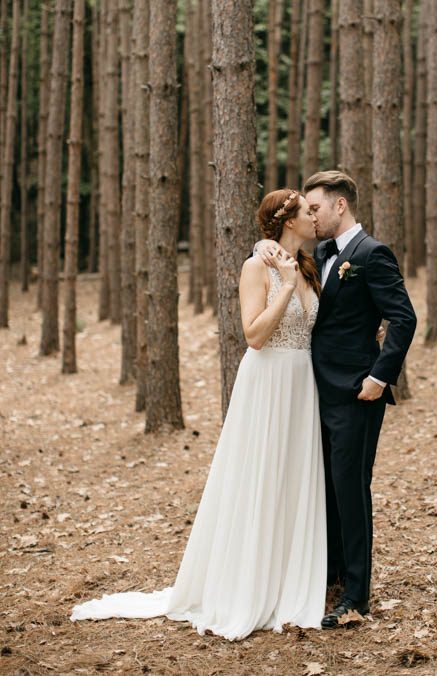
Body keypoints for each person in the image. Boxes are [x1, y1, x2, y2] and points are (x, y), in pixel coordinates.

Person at [71, 190, 327, 641]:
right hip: (266, 384)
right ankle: (249, 587)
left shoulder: (311, 263)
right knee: (260, 479)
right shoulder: (258, 269)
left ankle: (289, 582)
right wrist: (283, 285)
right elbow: (253, 336)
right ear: (289, 221)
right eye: (309, 211)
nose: (316, 215)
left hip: (301, 385)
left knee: (292, 479)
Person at [256, 171, 417, 628]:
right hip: (313, 393)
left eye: (316, 206)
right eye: (306, 209)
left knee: (350, 488)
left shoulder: (371, 254)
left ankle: (357, 593)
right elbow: (276, 255)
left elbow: (403, 319)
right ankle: (329, 573)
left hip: (355, 394)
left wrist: (379, 377)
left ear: (339, 206)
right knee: (323, 486)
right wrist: (259, 248)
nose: (311, 214)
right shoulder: (322, 253)